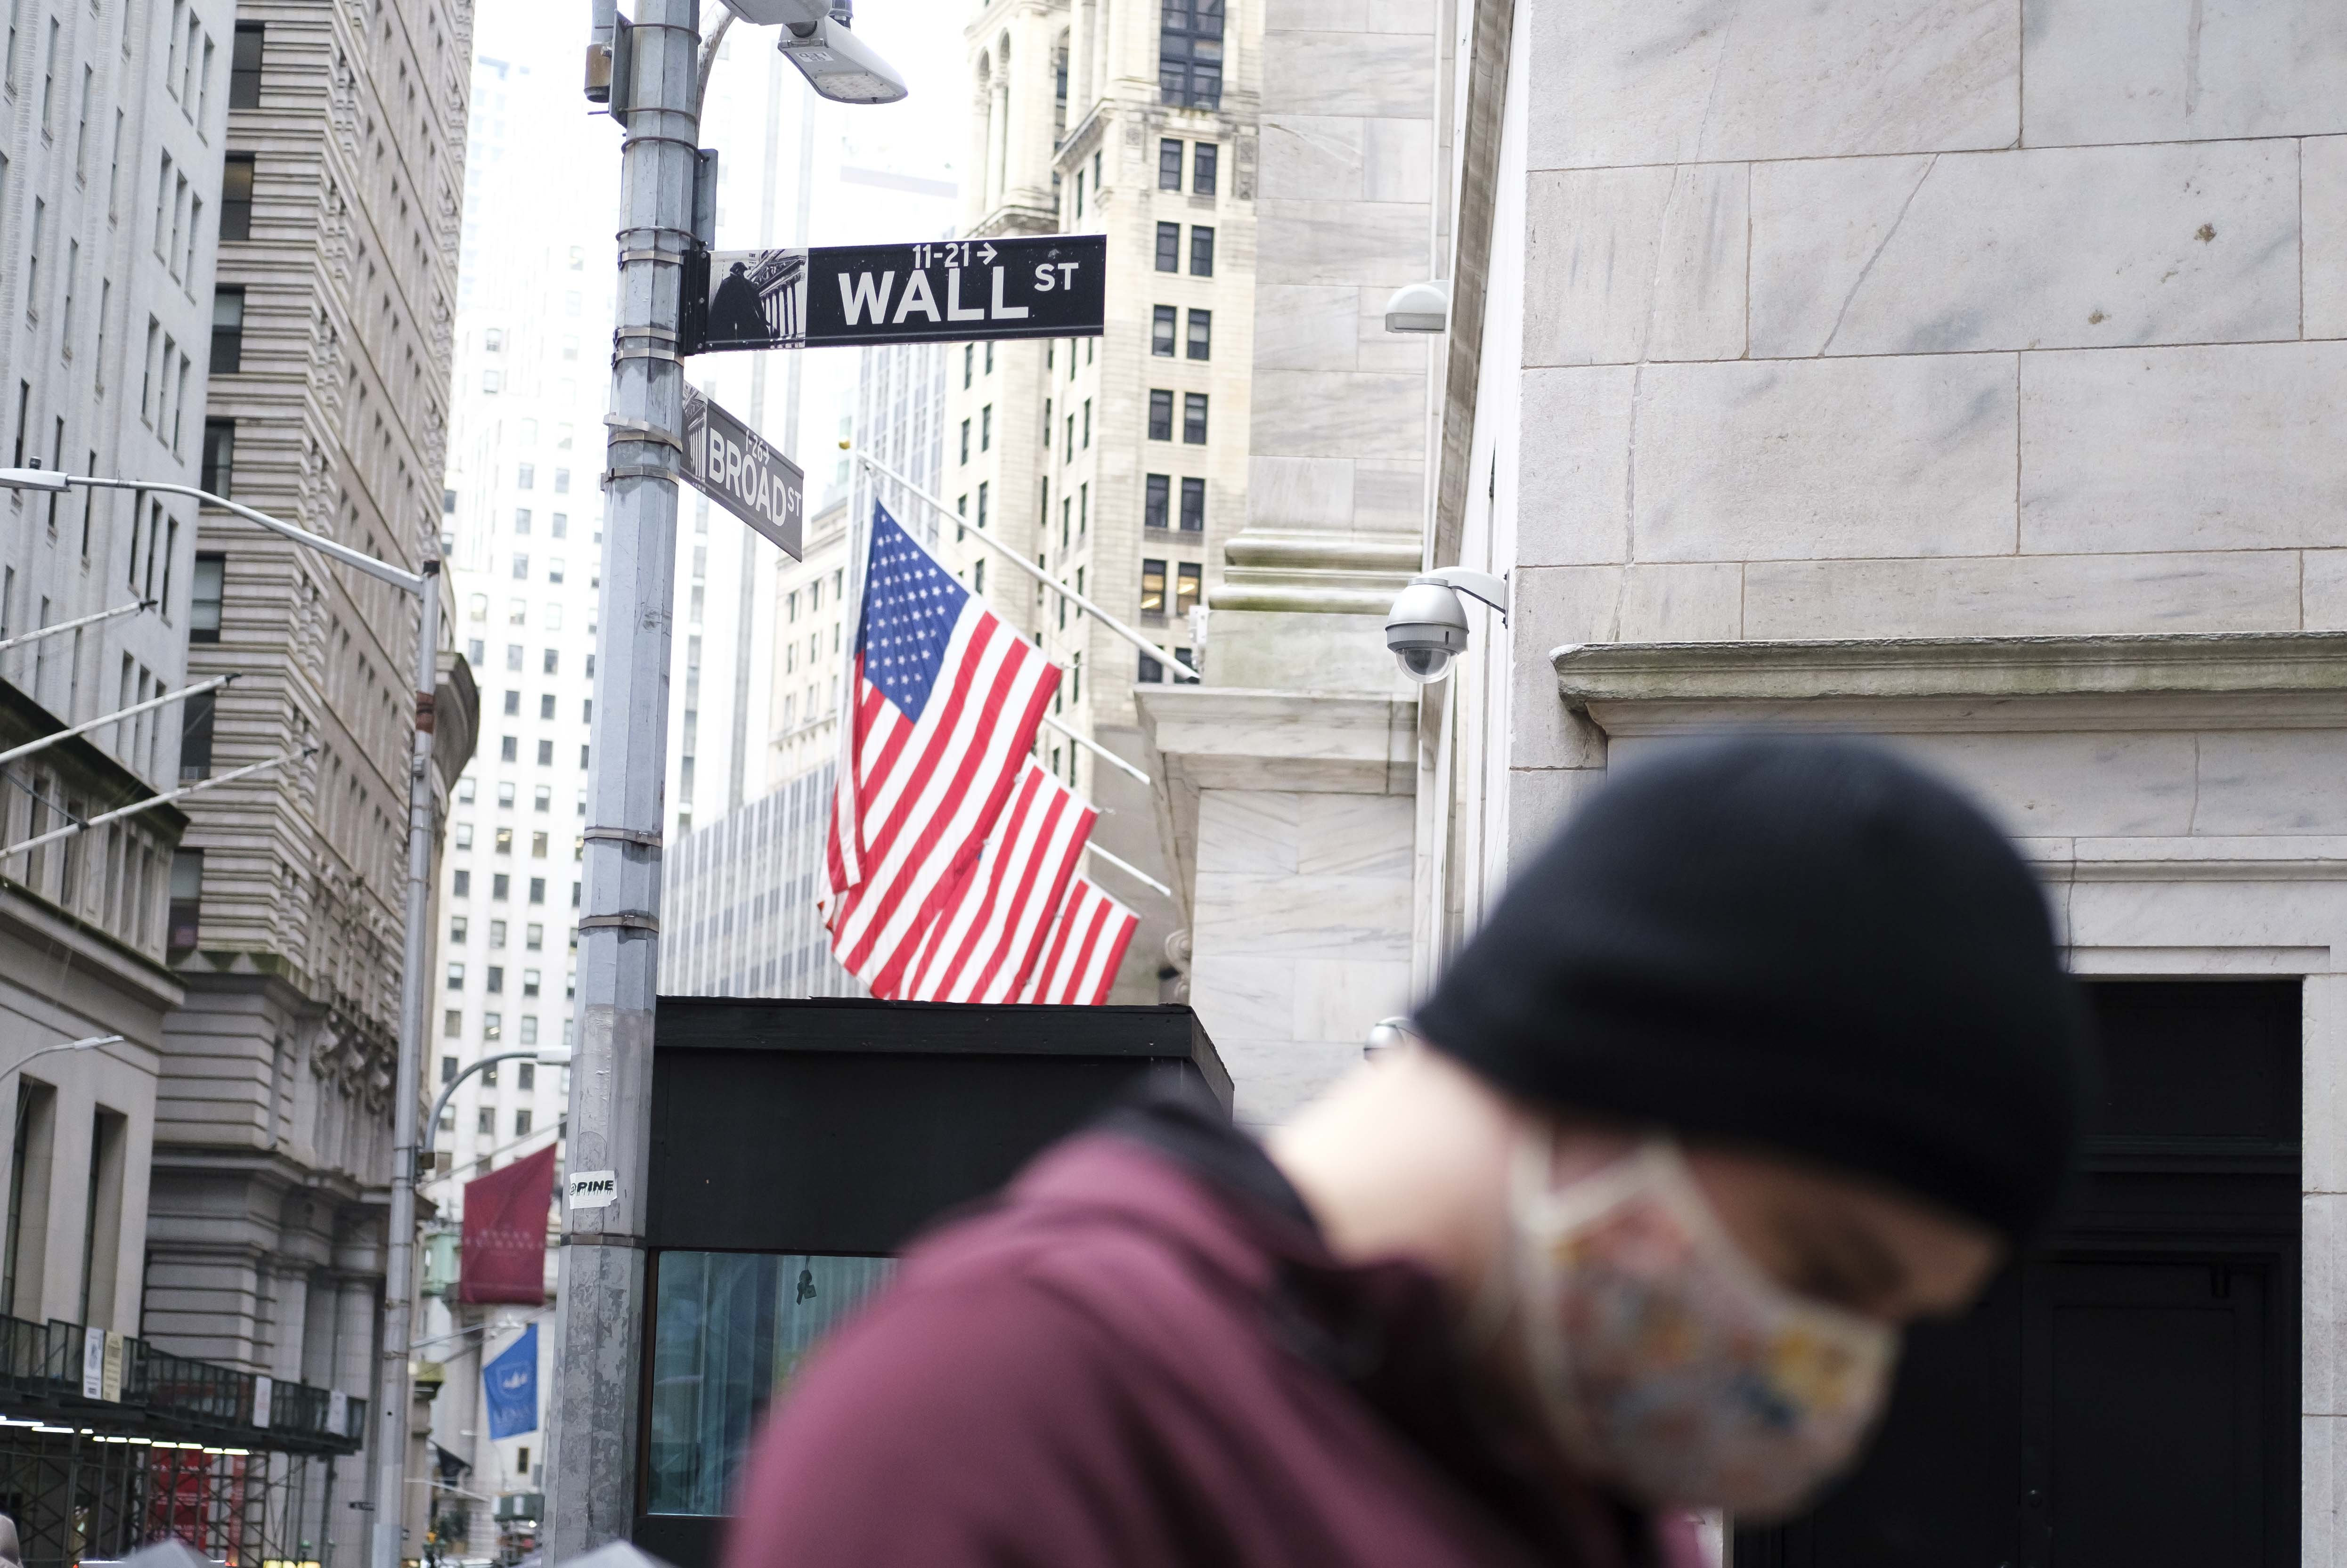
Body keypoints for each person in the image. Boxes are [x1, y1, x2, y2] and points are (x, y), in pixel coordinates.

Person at [723, 737, 2091, 1567]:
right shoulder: (1016, 1406)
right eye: (1829, 1267)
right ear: (1617, 1065)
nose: (1831, 1381)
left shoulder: (1593, 1496)